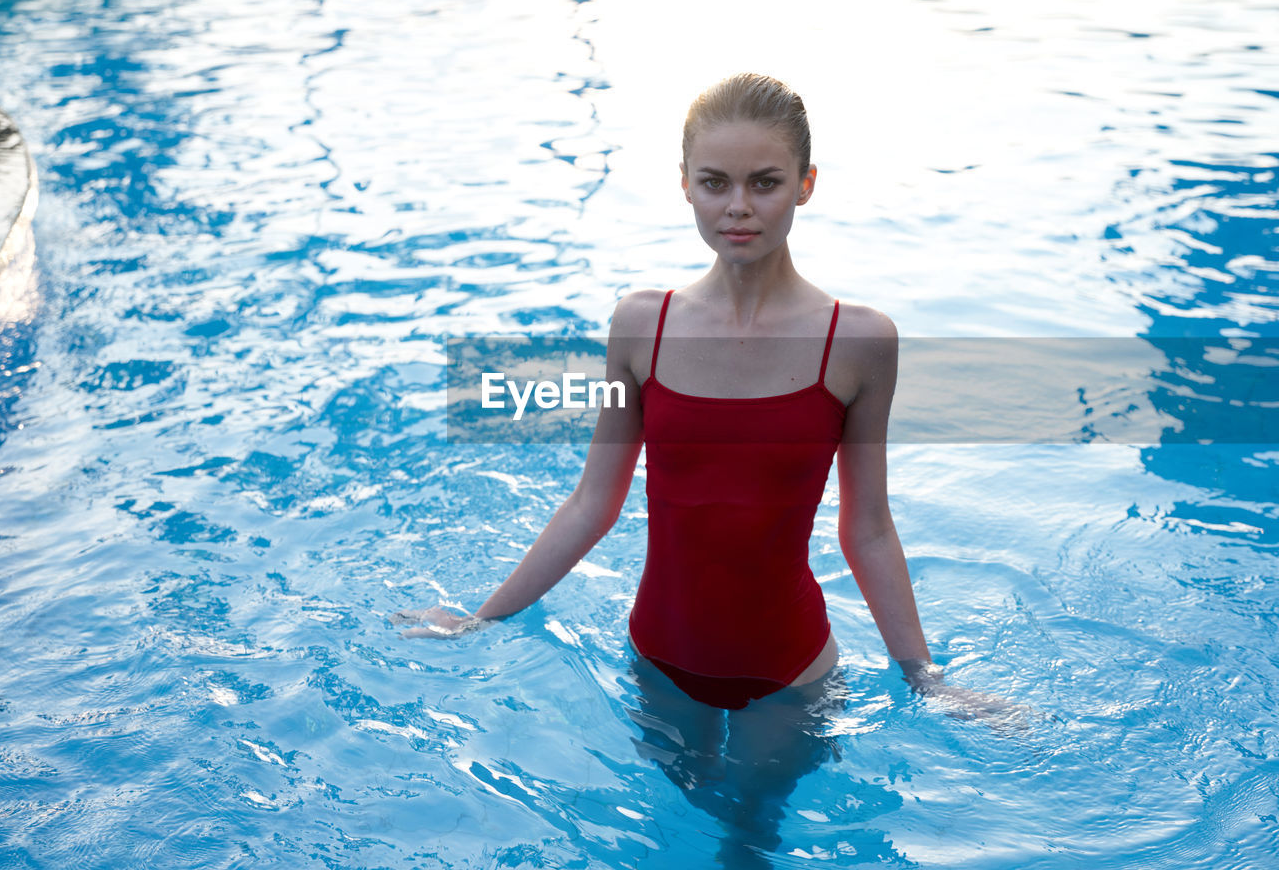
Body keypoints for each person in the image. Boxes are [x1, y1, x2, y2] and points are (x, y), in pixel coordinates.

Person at [395, 73, 1014, 714]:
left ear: (805, 185)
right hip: (656, 663)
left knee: (754, 821)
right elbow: (592, 504)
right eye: (715, 182)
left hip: (792, 676)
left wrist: (925, 678)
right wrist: (481, 619)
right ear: (685, 183)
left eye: (765, 183)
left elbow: (869, 529)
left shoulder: (858, 341)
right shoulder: (642, 326)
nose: (737, 206)